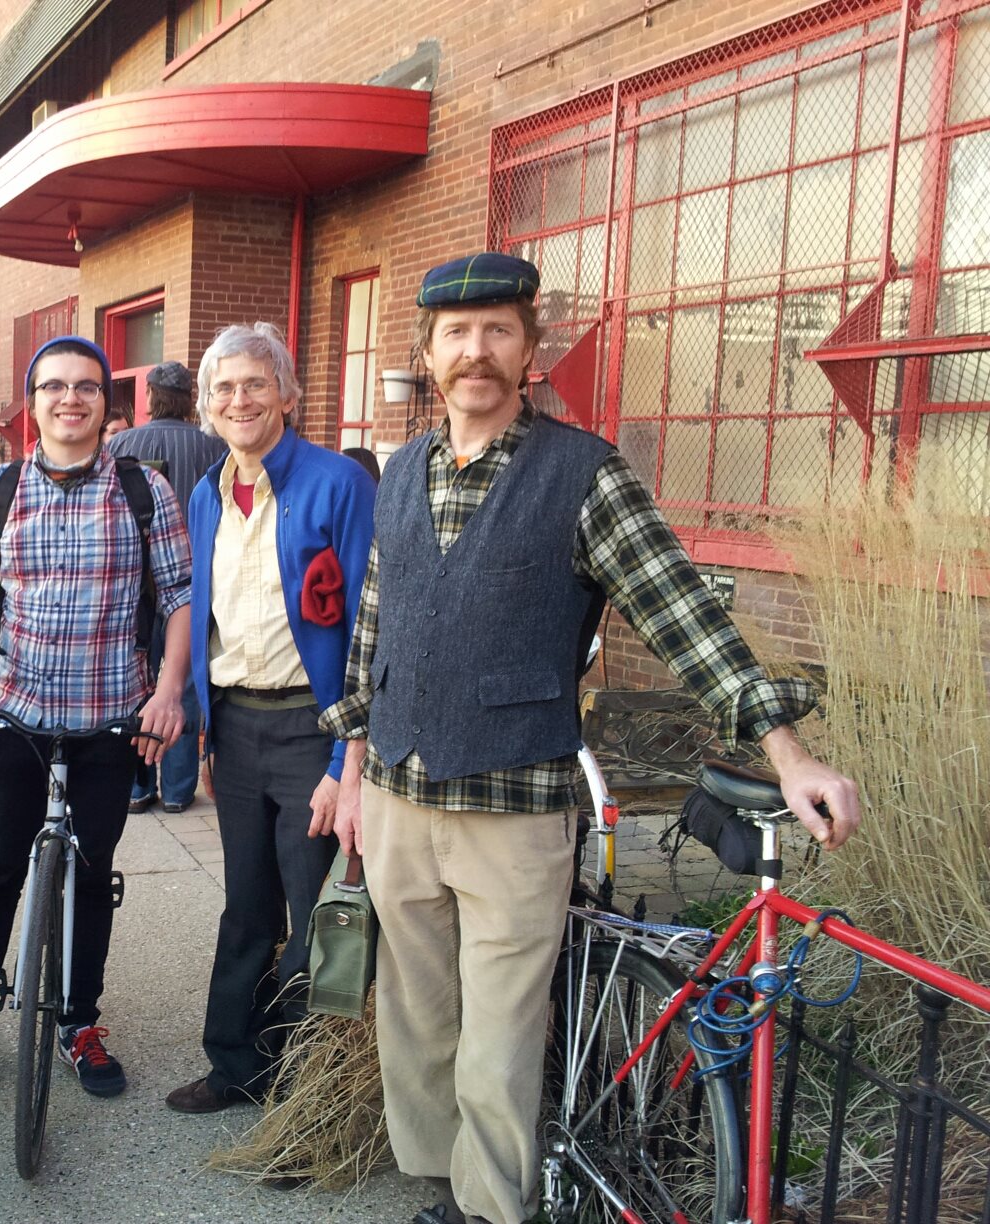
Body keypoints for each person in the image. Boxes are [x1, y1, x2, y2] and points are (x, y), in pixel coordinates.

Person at [318, 254, 861, 1224]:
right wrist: (352, 771)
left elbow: (681, 613)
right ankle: (449, 1193)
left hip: (514, 810)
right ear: (429, 352)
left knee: (498, 1042)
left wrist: (789, 753)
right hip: (399, 796)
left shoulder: (583, 475)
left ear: (530, 351)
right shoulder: (399, 472)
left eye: (498, 331)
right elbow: (373, 632)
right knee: (415, 1025)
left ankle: (494, 1211)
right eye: (456, 333)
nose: (475, 351)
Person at [0, 334, 192, 1099]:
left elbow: (178, 599)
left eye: (86, 386)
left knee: (91, 872)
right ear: (33, 401)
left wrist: (169, 690)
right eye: (54, 386)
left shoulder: (146, 491)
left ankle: (79, 1021)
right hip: (18, 718)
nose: (70, 398)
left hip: (114, 720)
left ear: (108, 405)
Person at [165, 322, 376, 1114]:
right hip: (240, 728)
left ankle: (308, 1091)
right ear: (207, 408)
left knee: (314, 909)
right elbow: (206, 616)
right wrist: (207, 734)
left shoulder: (337, 484)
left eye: (255, 384)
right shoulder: (205, 493)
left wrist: (343, 764)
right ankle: (236, 1067)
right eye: (223, 389)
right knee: (246, 905)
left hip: (313, 730)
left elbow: (368, 625)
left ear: (287, 394)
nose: (239, 399)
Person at [107, 360, 228, 814]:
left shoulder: (121, 444)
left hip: (134, 590)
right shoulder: (214, 447)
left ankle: (137, 786)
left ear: (151, 396)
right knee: (188, 688)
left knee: (138, 683)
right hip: (197, 587)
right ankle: (177, 791)